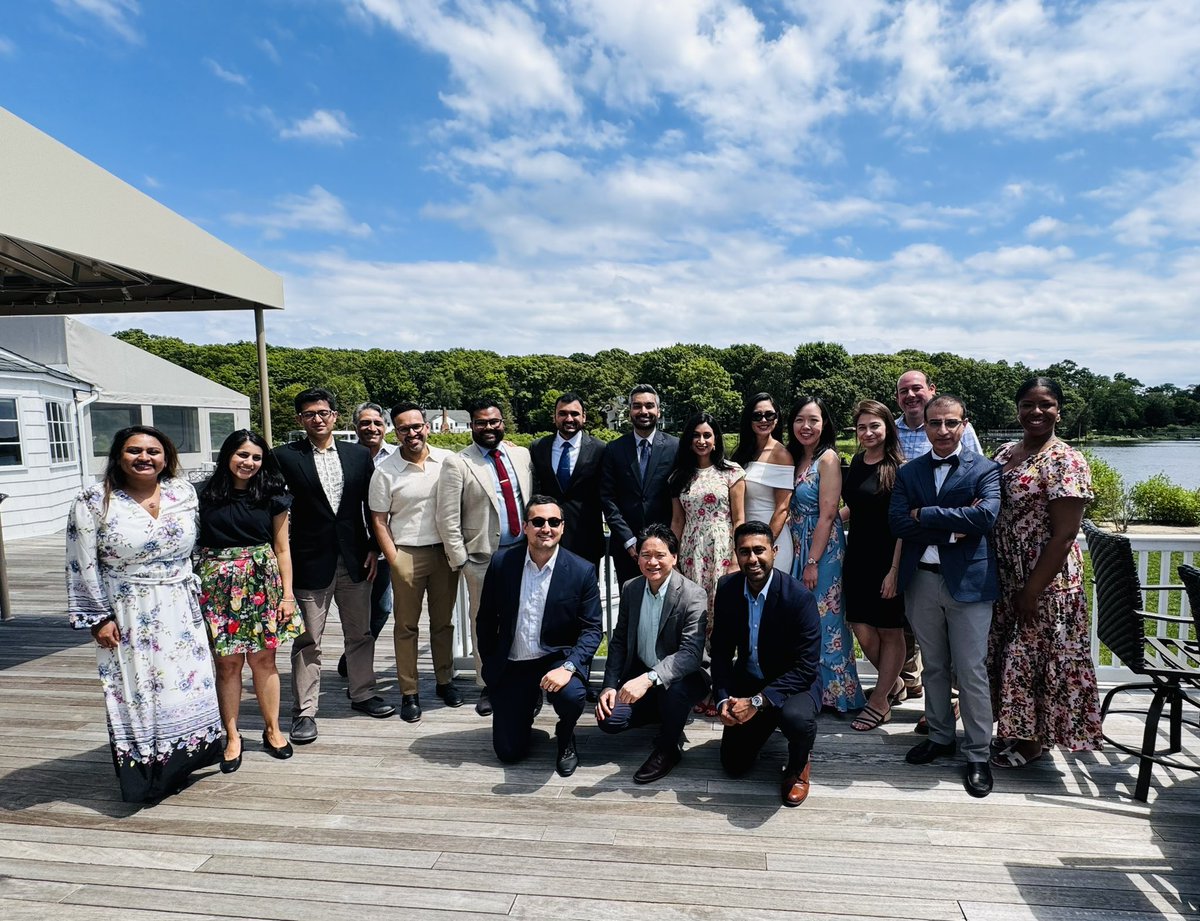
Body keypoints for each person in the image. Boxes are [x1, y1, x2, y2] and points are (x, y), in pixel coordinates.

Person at [66, 425, 222, 802]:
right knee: (137, 690)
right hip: (129, 609)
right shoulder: (93, 501)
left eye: (153, 451)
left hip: (181, 607)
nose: (144, 458)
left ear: (166, 457)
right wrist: (98, 617)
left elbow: (197, 546)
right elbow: (80, 564)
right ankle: (146, 775)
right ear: (118, 457)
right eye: (134, 451)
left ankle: (183, 762)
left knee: (186, 684)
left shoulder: (182, 492)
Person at [889, 394, 1001, 798]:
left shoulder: (986, 469)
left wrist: (928, 514)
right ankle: (939, 736)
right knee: (934, 665)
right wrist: (955, 525)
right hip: (921, 580)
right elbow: (899, 522)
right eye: (935, 423)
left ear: (963, 424)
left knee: (970, 670)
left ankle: (977, 753)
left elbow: (985, 517)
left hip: (970, 582)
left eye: (950, 423)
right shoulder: (910, 472)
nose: (942, 430)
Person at [987, 377, 1102, 768]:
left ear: (1058, 410)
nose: (1036, 412)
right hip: (1006, 573)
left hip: (1046, 580)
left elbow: (1065, 533)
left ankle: (1033, 742)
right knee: (1010, 657)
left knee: (1034, 659)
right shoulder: (1005, 452)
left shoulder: (1065, 460)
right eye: (1028, 405)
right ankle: (1017, 731)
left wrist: (1032, 590)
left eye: (1046, 405)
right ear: (1017, 408)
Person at [276, 388, 393, 746]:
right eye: (309, 413)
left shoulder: (358, 455)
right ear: (300, 420)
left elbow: (373, 506)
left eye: (323, 412)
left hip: (356, 558)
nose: (317, 418)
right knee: (308, 639)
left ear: (335, 416)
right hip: (310, 561)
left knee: (360, 632)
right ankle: (305, 712)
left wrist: (375, 547)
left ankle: (362, 694)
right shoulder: (284, 457)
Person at [196, 430, 303, 770]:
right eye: (243, 455)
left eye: (256, 457)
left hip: (261, 584)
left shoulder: (273, 495)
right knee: (227, 664)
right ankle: (232, 735)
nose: (249, 463)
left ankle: (273, 730)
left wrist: (287, 595)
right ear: (228, 455)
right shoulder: (202, 495)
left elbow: (283, 548)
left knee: (264, 661)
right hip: (216, 587)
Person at [476, 496, 602, 776]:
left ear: (562, 527)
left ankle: (566, 736)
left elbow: (593, 629)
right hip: (514, 662)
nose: (546, 528)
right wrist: (491, 663)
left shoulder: (581, 570)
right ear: (525, 527)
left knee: (571, 696)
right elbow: (485, 619)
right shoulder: (502, 563)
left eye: (554, 522)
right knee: (509, 753)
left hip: (555, 660)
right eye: (538, 522)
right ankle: (525, 706)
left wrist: (569, 667)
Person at [711, 521, 822, 807]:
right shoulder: (727, 588)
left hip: (793, 683)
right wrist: (723, 699)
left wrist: (759, 701)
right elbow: (721, 652)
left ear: (774, 551)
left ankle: (800, 762)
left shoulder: (799, 598)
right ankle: (765, 722)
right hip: (750, 679)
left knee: (796, 720)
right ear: (736, 554)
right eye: (744, 552)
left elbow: (806, 668)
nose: (752, 559)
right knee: (733, 766)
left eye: (759, 550)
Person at [436, 397, 534, 716]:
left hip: (524, 556)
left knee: (525, 621)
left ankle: (524, 681)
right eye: (481, 423)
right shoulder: (458, 463)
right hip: (482, 560)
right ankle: (489, 684)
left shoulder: (521, 455)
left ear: (503, 423)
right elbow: (447, 518)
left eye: (495, 422)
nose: (489, 427)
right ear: (472, 426)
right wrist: (462, 561)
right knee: (485, 627)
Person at [595, 524, 710, 784]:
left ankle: (668, 750)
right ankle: (665, 713)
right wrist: (609, 686)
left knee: (677, 692)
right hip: (642, 671)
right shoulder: (631, 589)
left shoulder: (693, 595)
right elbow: (619, 642)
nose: (652, 562)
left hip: (686, 677)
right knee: (609, 720)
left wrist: (649, 679)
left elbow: (691, 654)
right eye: (646, 555)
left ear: (674, 557)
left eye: (660, 555)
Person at [368, 401, 461, 724]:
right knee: (406, 627)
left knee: (443, 623)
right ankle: (409, 692)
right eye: (404, 428)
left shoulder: (447, 461)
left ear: (427, 426)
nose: (412, 433)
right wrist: (394, 558)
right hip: (406, 552)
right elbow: (378, 520)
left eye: (416, 426)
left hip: (444, 553)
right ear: (396, 431)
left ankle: (444, 681)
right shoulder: (386, 471)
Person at [894, 369, 982, 703]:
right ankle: (909, 680)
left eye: (917, 388)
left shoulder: (959, 428)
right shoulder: (892, 429)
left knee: (949, 623)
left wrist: (932, 517)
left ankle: (953, 698)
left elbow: (973, 478)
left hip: (952, 543)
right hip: (904, 534)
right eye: (904, 391)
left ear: (931, 390)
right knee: (908, 615)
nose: (911, 395)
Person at [786, 396, 865, 714]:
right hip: (795, 543)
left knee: (827, 621)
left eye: (814, 420)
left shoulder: (828, 459)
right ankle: (806, 686)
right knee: (799, 622)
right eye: (800, 420)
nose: (806, 427)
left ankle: (837, 693)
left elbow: (829, 513)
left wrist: (812, 561)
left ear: (825, 424)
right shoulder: (792, 458)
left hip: (821, 549)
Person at [841, 400, 907, 732]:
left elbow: (902, 524)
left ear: (887, 428)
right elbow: (857, 506)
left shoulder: (899, 468)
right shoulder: (857, 461)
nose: (868, 433)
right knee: (860, 625)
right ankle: (892, 684)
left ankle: (880, 702)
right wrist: (821, 522)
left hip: (887, 559)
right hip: (857, 556)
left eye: (874, 426)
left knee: (889, 629)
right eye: (862, 427)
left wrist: (894, 570)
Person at [335, 402, 396, 679]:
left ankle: (353, 656)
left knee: (382, 606)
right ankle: (358, 659)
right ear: (355, 426)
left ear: (385, 427)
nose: (371, 428)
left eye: (377, 423)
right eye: (365, 423)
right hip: (351, 546)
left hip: (387, 547)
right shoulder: (342, 457)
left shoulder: (397, 457)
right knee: (355, 610)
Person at [599, 384, 679, 587]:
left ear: (658, 411)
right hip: (628, 549)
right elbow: (608, 499)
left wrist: (669, 541)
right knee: (630, 609)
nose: (643, 411)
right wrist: (629, 540)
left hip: (666, 549)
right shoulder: (614, 449)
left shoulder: (675, 447)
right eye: (637, 406)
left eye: (649, 406)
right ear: (630, 411)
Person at [669, 411, 746, 614]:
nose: (701, 441)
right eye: (696, 435)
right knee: (692, 604)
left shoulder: (732, 472)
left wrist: (737, 558)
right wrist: (671, 555)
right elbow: (677, 520)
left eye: (707, 435)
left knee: (721, 604)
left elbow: (739, 518)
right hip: (690, 548)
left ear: (716, 439)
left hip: (722, 546)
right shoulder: (679, 476)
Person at [530, 392, 607, 570]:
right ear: (555, 417)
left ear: (584, 417)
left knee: (585, 594)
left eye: (574, 414)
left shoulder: (600, 449)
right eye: (563, 413)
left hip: (586, 537)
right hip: (546, 537)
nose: (569, 418)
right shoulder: (538, 447)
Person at [732, 392, 796, 575]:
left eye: (769, 415)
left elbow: (783, 508)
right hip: (743, 538)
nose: (763, 420)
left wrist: (764, 545)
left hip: (771, 540)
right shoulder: (743, 453)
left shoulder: (781, 454)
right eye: (757, 415)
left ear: (776, 418)